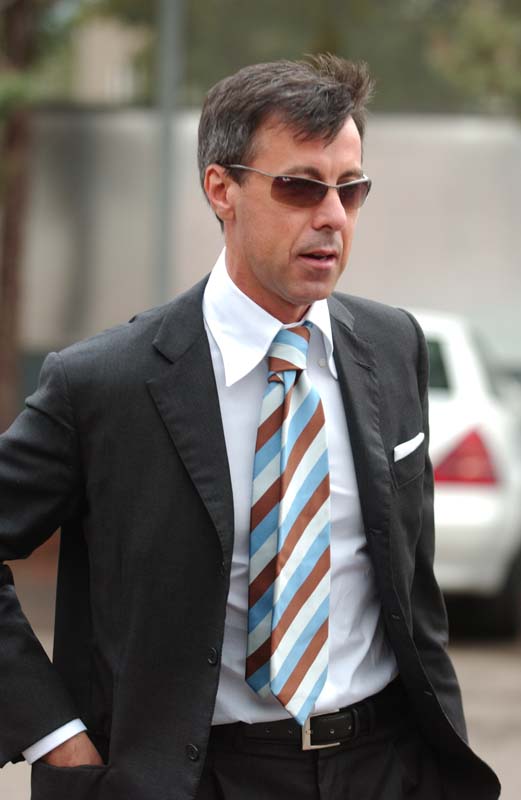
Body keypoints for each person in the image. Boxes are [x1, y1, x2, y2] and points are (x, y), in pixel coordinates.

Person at [0, 55, 500, 800]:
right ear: (221, 189)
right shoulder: (103, 383)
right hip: (196, 778)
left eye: (351, 189)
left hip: (386, 765)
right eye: (300, 186)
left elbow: (411, 588)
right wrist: (57, 737)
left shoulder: (393, 346)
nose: (332, 217)